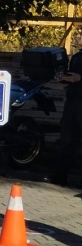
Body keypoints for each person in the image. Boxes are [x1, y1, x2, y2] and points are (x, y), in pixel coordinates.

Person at [45, 28, 82, 187]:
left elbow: (78, 77)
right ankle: (60, 176)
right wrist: (64, 78)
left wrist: (80, 78)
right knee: (67, 139)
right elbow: (72, 75)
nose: (79, 37)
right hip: (72, 102)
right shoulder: (77, 57)